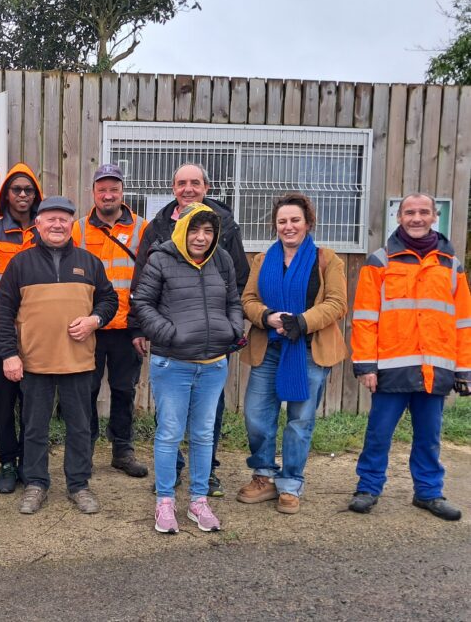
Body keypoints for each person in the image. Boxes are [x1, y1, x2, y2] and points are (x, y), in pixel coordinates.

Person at [348, 193, 470, 521]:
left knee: (429, 436)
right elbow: (364, 317)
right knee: (378, 433)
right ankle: (368, 488)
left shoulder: (451, 265)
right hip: (390, 369)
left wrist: (464, 370)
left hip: (435, 369)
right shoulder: (380, 261)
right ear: (399, 218)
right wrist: (365, 365)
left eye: (423, 212)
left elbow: (463, 322)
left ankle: (428, 492)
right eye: (410, 212)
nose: (417, 218)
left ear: (434, 218)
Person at [131, 163, 249, 496]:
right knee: (169, 420)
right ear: (173, 188)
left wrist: (230, 328)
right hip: (174, 350)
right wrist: (156, 331)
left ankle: (207, 473)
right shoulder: (157, 228)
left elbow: (237, 283)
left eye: (195, 182)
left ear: (206, 188)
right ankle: (173, 474)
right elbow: (143, 289)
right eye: (181, 183)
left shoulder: (225, 226)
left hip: (213, 348)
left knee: (208, 420)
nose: (188, 188)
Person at [0, 196, 118, 515]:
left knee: (79, 426)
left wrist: (95, 320)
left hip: (78, 361)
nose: (57, 224)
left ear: (72, 224)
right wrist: (9, 354)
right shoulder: (20, 264)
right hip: (34, 362)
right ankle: (36, 483)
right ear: (38, 224)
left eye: (64, 219)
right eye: (50, 218)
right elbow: (3, 311)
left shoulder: (89, 262)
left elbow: (109, 300)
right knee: (34, 427)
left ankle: (79, 484)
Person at [236, 193, 347, 515]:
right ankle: (263, 476)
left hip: (309, 350)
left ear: (308, 223)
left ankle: (291, 483)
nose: (288, 226)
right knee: (256, 416)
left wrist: (301, 322)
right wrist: (267, 316)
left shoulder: (328, 260)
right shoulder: (262, 260)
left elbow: (337, 303)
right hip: (269, 348)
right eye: (282, 221)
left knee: (300, 421)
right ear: (276, 225)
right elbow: (248, 300)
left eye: (295, 220)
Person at [72, 164, 148, 478]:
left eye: (113, 189)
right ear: (93, 193)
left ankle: (123, 449)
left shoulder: (143, 228)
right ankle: (84, 450)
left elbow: (148, 278)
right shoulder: (77, 229)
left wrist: (141, 326)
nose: (108, 195)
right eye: (102, 189)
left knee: (124, 390)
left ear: (122, 192)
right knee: (85, 390)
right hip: (90, 327)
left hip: (127, 328)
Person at [0, 163, 43, 494]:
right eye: (16, 189)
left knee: (34, 406)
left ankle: (32, 463)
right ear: (6, 194)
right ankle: (7, 462)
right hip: (0, 336)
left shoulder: (46, 233)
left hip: (38, 338)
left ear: (36, 196)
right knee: (4, 405)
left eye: (28, 190)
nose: (22, 195)